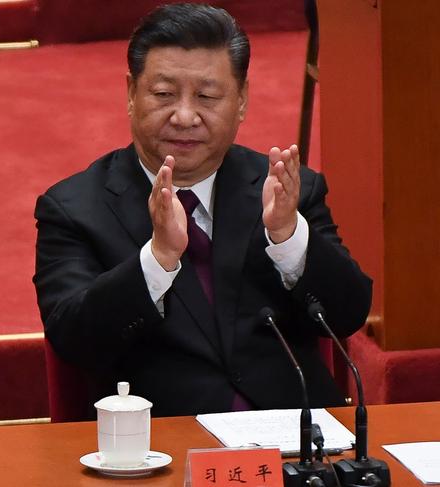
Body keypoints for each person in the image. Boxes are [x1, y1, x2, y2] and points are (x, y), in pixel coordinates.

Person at [34, 3, 371, 419]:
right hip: (159, 449)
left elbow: (348, 314)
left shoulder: (284, 191)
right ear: (130, 94)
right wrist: (157, 260)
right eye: (163, 95)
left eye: (207, 97)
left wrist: (288, 238)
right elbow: (73, 339)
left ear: (242, 100)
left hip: (293, 440)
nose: (185, 116)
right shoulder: (74, 209)